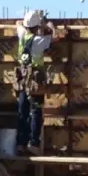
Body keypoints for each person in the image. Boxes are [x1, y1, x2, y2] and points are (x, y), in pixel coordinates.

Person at [14, 9, 58, 155]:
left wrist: (37, 23)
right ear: (36, 26)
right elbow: (56, 37)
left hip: (22, 79)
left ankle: (21, 143)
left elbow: (18, 23)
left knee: (22, 111)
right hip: (35, 80)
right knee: (36, 111)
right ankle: (33, 143)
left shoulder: (21, 35)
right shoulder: (39, 41)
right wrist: (48, 24)